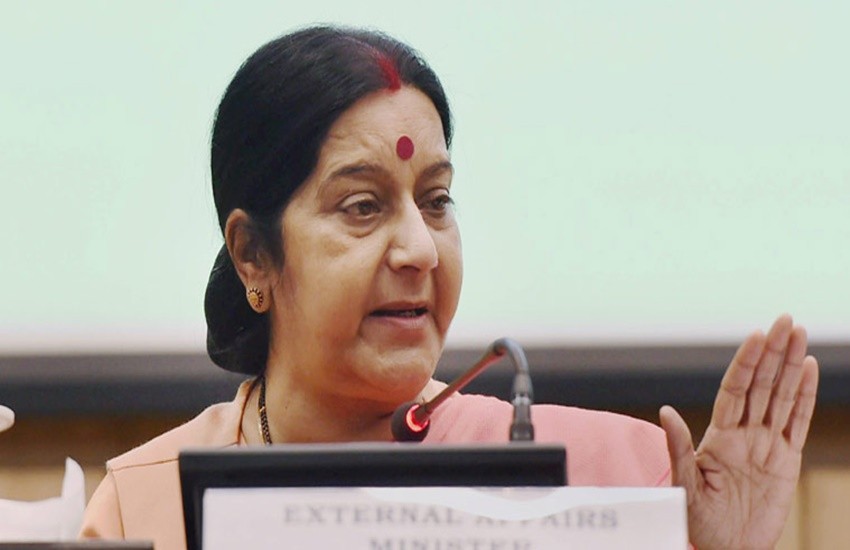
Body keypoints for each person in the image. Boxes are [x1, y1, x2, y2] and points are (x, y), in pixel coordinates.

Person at [79, 25, 819, 550]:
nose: (419, 249)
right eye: (362, 206)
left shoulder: (623, 480)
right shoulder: (146, 508)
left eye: (435, 201)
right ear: (252, 257)